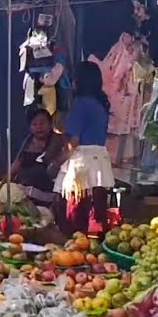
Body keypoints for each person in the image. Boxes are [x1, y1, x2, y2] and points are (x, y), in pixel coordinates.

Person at [55, 61, 114, 236]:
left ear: (79, 81)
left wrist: (56, 162)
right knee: (95, 211)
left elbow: (73, 142)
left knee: (75, 213)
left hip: (82, 163)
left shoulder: (80, 105)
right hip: (99, 162)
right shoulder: (100, 105)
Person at [8, 108, 69, 203]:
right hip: (24, 195)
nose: (39, 127)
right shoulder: (27, 142)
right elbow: (16, 166)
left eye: (42, 123)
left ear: (50, 124)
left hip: (48, 194)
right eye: (34, 124)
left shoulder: (59, 140)